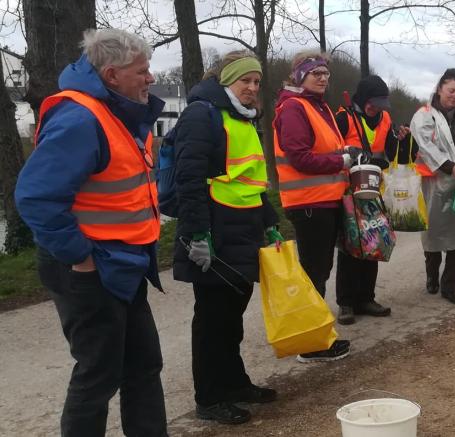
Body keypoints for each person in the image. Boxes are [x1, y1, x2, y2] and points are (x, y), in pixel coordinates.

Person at [14, 28, 168, 436]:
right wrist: (79, 256)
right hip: (90, 265)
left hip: (125, 261)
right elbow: (35, 197)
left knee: (143, 365)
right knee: (99, 375)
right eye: (143, 70)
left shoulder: (120, 112)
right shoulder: (81, 116)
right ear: (113, 74)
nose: (150, 78)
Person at [171, 50, 280, 424]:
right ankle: (209, 396)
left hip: (243, 230)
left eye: (256, 82)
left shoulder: (244, 118)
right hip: (215, 233)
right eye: (244, 81)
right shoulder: (202, 114)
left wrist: (269, 221)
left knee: (232, 316)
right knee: (212, 319)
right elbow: (189, 178)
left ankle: (234, 383)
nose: (251, 88)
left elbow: (253, 180)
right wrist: (196, 233)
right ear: (225, 81)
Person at [272, 50, 353, 362]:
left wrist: (346, 151)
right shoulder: (293, 108)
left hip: (323, 200)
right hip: (308, 202)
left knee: (319, 270)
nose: (323, 78)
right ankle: (312, 344)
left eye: (325, 73)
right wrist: (343, 159)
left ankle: (317, 335)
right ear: (299, 76)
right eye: (315, 73)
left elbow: (324, 149)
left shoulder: (317, 107)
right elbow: (300, 158)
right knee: (314, 272)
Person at [330, 75, 409, 325]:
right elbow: (331, 151)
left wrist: (399, 139)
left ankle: (366, 298)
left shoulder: (385, 118)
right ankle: (346, 303)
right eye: (373, 103)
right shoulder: (343, 118)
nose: (377, 108)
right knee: (351, 246)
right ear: (363, 100)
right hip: (349, 190)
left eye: (381, 103)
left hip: (376, 188)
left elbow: (389, 150)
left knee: (372, 242)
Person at [409, 68, 455, 305]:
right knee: (433, 235)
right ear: (440, 88)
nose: (454, 95)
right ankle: (432, 275)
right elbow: (426, 147)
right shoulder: (424, 115)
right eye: (450, 90)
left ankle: (450, 286)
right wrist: (449, 166)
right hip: (435, 182)